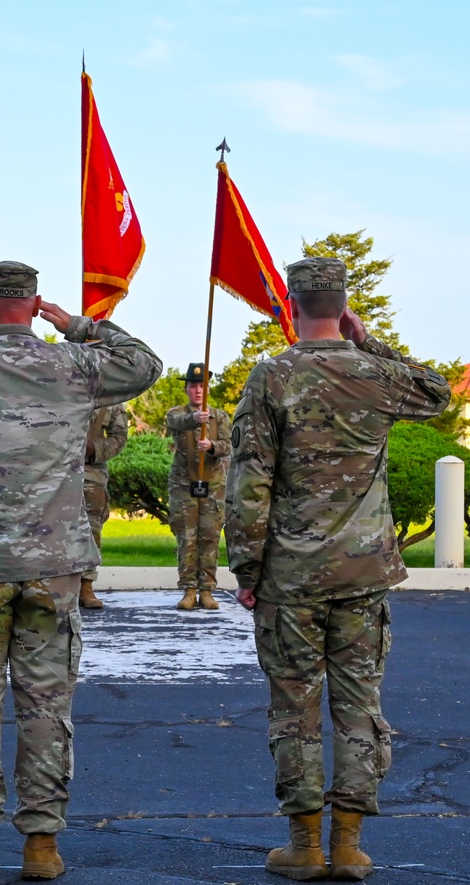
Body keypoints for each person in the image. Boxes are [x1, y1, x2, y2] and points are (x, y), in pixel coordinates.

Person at [0, 261, 161, 880]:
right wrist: (77, 325)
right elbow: (145, 363)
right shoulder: (74, 364)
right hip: (54, 563)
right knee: (47, 702)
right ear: (34, 303)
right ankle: (42, 845)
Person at [225, 257, 450, 882]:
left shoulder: (271, 377)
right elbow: (436, 392)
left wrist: (246, 567)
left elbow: (250, 483)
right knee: (358, 704)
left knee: (293, 708)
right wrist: (365, 337)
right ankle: (349, 844)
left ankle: (305, 844)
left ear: (292, 305)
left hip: (291, 576)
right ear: (343, 304)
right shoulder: (374, 375)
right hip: (362, 574)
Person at [166, 363, 232, 611]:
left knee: (210, 537)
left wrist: (212, 446)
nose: (197, 390)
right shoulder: (176, 413)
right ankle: (188, 589)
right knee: (187, 537)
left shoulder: (221, 417)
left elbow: (229, 444)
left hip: (212, 484)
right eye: (193, 386)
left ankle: (207, 590)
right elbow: (177, 422)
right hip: (184, 483)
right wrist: (194, 419)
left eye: (202, 385)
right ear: (186, 389)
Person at [78, 404, 129, 609]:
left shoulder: (111, 402)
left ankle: (86, 587)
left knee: (91, 531)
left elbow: (119, 437)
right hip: (55, 472)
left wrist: (94, 449)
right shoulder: (62, 386)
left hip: (92, 475)